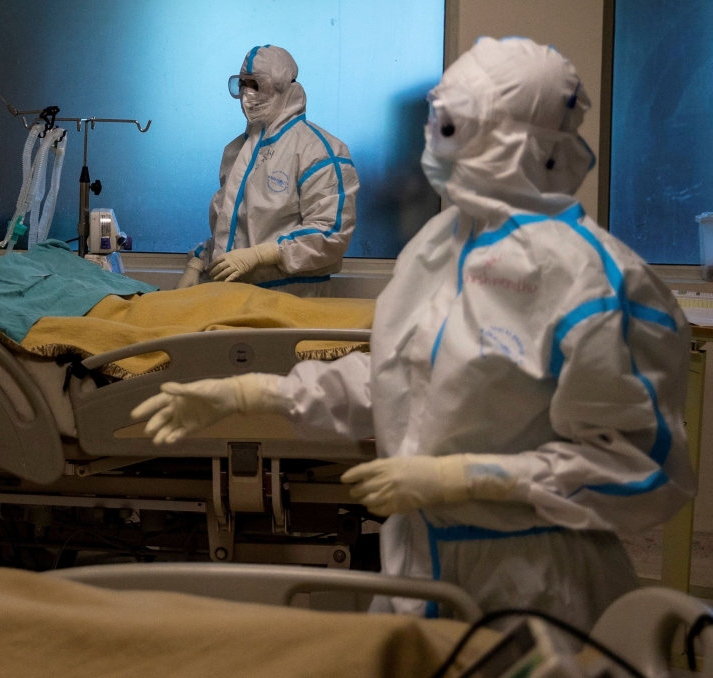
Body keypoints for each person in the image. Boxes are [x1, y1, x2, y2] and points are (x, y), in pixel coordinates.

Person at [133, 37, 696, 629]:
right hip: (415, 565)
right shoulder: (439, 248)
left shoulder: (594, 282)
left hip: (535, 583)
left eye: (452, 125)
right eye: (437, 121)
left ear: (515, 140)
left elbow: (643, 467)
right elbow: (401, 376)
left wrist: (467, 479)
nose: (433, 140)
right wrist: (260, 393)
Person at [176, 45, 359, 297]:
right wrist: (197, 264)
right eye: (242, 85)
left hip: (291, 298)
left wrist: (262, 255)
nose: (247, 95)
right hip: (234, 296)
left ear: (283, 87)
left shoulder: (319, 150)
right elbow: (232, 229)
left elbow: (330, 234)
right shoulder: (237, 151)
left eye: (256, 85)